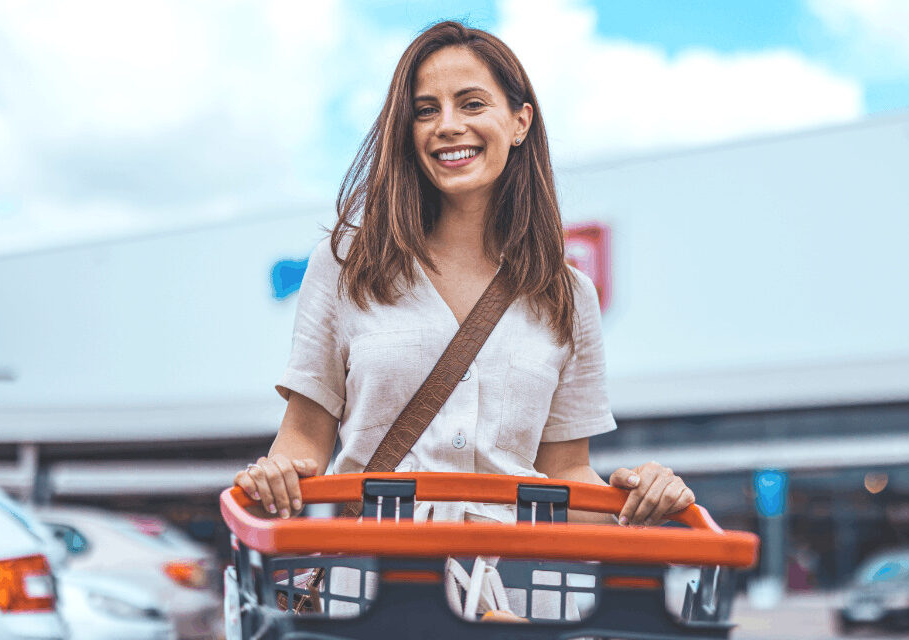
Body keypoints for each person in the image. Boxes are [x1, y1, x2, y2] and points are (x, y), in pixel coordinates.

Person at [232, 21, 694, 534]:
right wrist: (278, 472)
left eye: (472, 104)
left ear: (520, 123)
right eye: (426, 110)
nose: (447, 125)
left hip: (517, 586)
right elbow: (303, 437)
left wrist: (637, 496)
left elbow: (565, 471)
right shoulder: (346, 265)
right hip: (376, 582)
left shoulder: (567, 294)